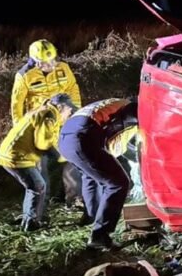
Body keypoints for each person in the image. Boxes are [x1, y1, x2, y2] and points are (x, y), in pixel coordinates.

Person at [58, 97, 139, 251]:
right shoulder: (130, 109)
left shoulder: (114, 103)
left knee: (90, 177)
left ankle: (92, 217)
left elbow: (116, 142)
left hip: (66, 139)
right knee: (118, 183)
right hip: (83, 136)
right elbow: (126, 134)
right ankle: (100, 236)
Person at [10, 39, 83, 206]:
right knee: (39, 164)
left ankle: (74, 198)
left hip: (63, 121)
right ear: (35, 61)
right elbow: (16, 104)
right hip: (38, 126)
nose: (51, 65)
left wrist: (77, 112)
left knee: (72, 158)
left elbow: (73, 88)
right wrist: (20, 128)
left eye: (53, 60)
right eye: (45, 62)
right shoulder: (24, 76)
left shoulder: (63, 68)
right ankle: (44, 201)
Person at [0, 93, 77, 231]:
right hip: (17, 157)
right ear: (61, 107)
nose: (70, 113)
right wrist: (62, 157)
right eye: (69, 110)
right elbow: (43, 144)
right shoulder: (49, 116)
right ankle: (31, 223)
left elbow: (50, 138)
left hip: (14, 154)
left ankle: (29, 218)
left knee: (34, 186)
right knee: (38, 186)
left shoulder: (48, 112)